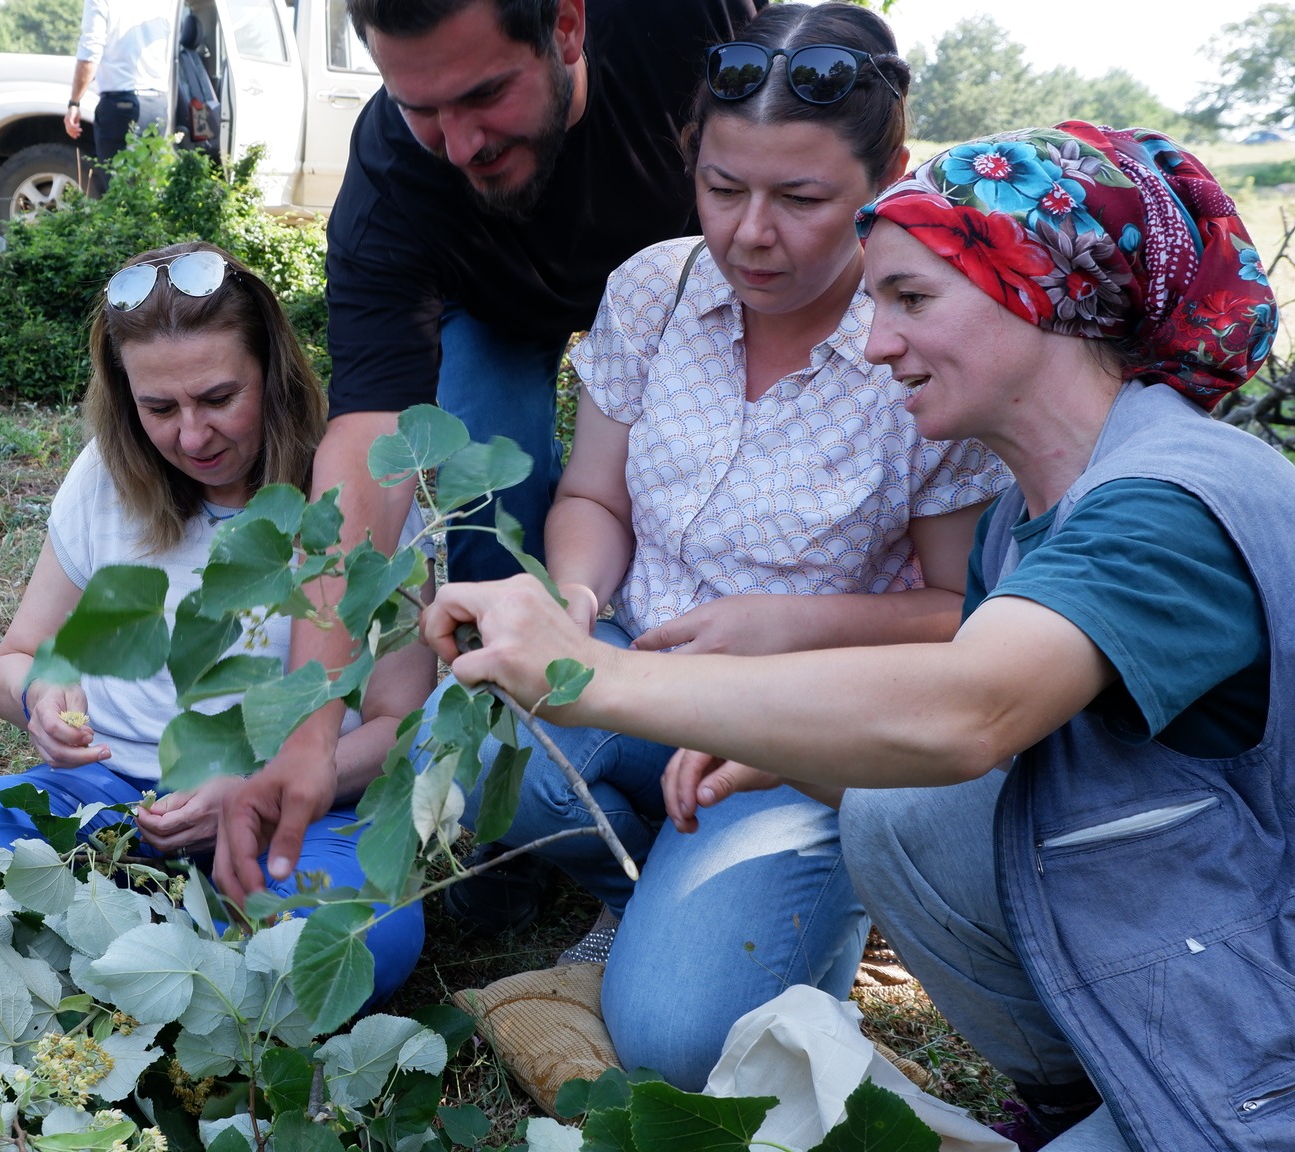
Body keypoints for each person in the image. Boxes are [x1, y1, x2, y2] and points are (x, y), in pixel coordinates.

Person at [418, 121, 1283, 1151]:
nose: (874, 343)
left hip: (1253, 1044)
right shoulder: (1036, 512)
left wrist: (587, 674)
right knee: (887, 809)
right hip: (1175, 958)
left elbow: (970, 713)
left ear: (1045, 294)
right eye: (877, 302)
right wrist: (788, 742)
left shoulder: (1167, 503)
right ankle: (1077, 1095)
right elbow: (1011, 762)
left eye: (911, 300)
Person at [423, 1, 1009, 1089]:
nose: (748, 233)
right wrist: (581, 607)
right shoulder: (655, 286)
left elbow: (961, 609)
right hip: (639, 661)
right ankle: (651, 889)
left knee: (680, 1043)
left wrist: (784, 622)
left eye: (801, 199)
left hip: (802, 728)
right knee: (457, 752)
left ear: (887, 179)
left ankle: (733, 902)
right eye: (721, 187)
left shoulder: (921, 343)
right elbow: (592, 495)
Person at [213, 0, 759, 906]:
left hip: (697, 285)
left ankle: (734, 763)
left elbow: (802, 128)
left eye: (485, 94)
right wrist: (309, 729)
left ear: (570, 28)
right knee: (478, 514)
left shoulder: (682, 24)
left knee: (704, 506)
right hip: (502, 307)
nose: (459, 142)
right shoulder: (394, 171)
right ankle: (533, 811)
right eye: (421, 107)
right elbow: (366, 445)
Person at [0, 241, 434, 999]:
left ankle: (115, 958)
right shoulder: (106, 476)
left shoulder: (366, 486)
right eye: (158, 409)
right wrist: (40, 695)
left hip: (294, 814)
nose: (191, 437)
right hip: (106, 798)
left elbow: (401, 722)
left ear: (276, 374)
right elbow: (16, 658)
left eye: (218, 398)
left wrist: (260, 787)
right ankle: (182, 963)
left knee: (366, 931)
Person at [63, 0, 174, 195]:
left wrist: (74, 102)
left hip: (120, 105)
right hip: (156, 104)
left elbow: (90, 51)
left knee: (118, 189)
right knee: (146, 188)